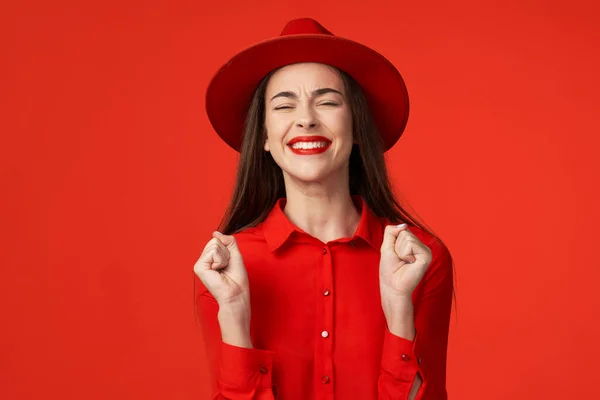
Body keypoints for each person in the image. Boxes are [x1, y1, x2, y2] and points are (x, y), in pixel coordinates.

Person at [193, 17, 455, 400]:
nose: (306, 119)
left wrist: (399, 310)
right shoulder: (227, 269)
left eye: (328, 102)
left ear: (356, 127)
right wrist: (233, 317)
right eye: (284, 106)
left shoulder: (419, 259)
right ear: (264, 137)